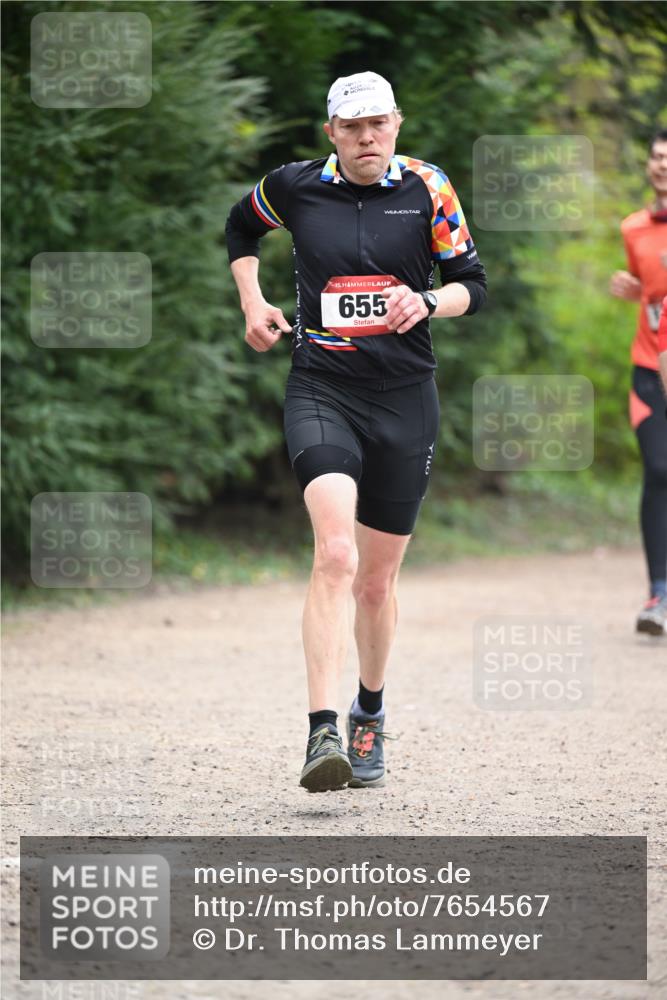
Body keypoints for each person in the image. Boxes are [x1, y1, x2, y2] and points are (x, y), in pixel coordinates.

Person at [226, 71, 487, 791]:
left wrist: (429, 300)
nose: (367, 138)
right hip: (322, 390)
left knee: (375, 581)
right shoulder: (296, 186)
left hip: (405, 400)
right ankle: (321, 734)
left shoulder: (428, 189)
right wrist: (252, 300)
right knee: (335, 553)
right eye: (352, 127)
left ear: (396, 124)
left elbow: (474, 281)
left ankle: (368, 709)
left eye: (378, 124)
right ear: (330, 134)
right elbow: (240, 225)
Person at [610, 127, 667, 636]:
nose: (662, 164)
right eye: (656, 157)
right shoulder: (633, 228)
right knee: (658, 466)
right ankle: (659, 594)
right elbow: (650, 293)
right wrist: (630, 290)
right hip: (650, 367)